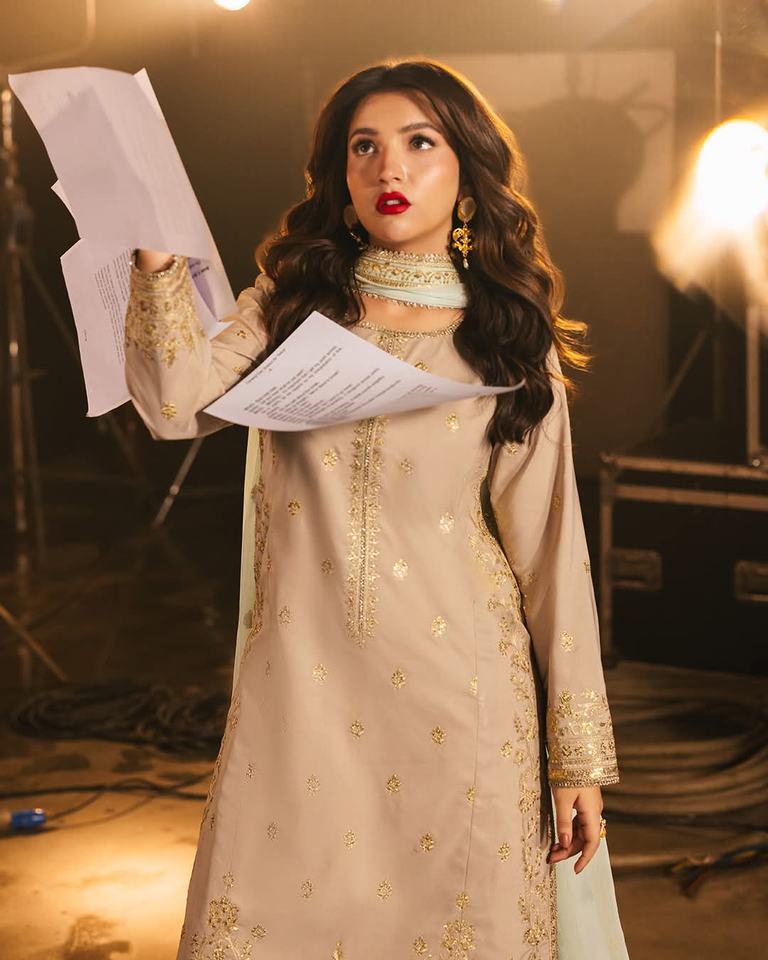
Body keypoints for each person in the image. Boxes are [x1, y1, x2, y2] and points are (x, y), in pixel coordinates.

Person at [125, 58, 628, 960]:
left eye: (419, 142)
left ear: (467, 175)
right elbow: (170, 405)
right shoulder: (291, 307)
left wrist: (577, 758)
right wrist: (154, 258)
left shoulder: (504, 335)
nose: (388, 167)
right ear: (340, 174)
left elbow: (552, 557)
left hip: (459, 697)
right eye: (364, 147)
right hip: (299, 693)